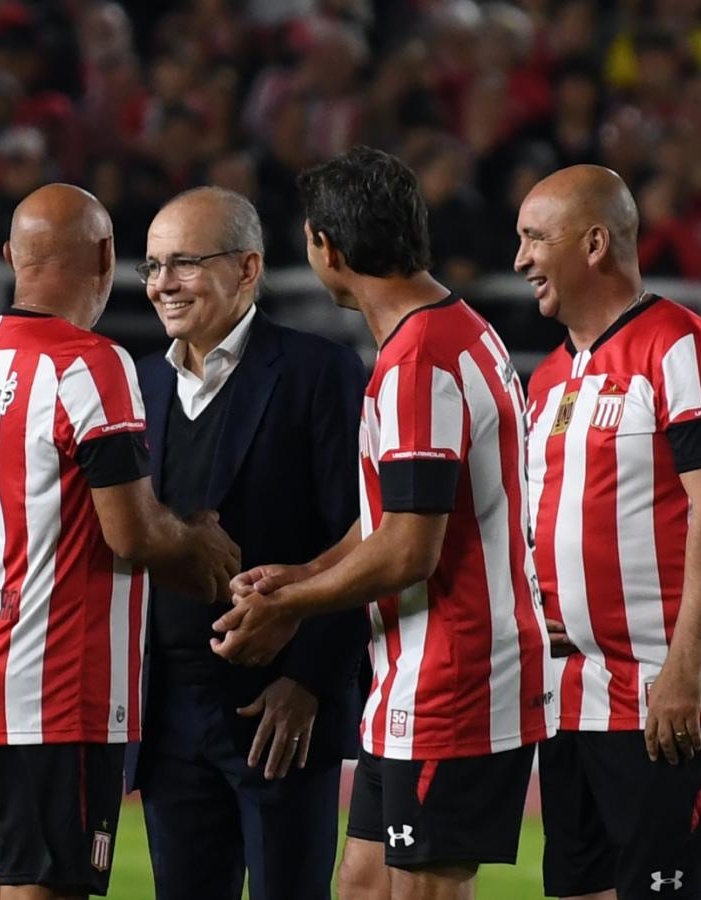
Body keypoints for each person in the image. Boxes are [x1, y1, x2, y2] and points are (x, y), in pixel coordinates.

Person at [212, 145, 555, 900]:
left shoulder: (419, 364)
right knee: (366, 884)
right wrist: (302, 571)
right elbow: (393, 518)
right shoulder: (452, 331)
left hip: (453, 675)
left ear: (324, 247)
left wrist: (288, 607)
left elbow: (408, 550)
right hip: (416, 674)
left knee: (421, 892)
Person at [0, 182, 240, 900]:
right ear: (108, 254)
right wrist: (197, 543)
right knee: (51, 888)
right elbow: (132, 533)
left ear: (12, 255)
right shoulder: (91, 363)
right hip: (57, 678)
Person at [514, 164, 701, 900]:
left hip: (666, 692)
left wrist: (685, 664)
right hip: (571, 694)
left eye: (533, 239)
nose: (519, 260)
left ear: (593, 244)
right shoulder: (547, 379)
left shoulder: (681, 347)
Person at [125, 185, 370, 900]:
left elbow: (361, 537)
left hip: (279, 711)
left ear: (248, 268)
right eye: (152, 266)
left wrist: (313, 684)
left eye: (184, 263)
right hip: (167, 714)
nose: (163, 283)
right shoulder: (136, 385)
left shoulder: (318, 373)